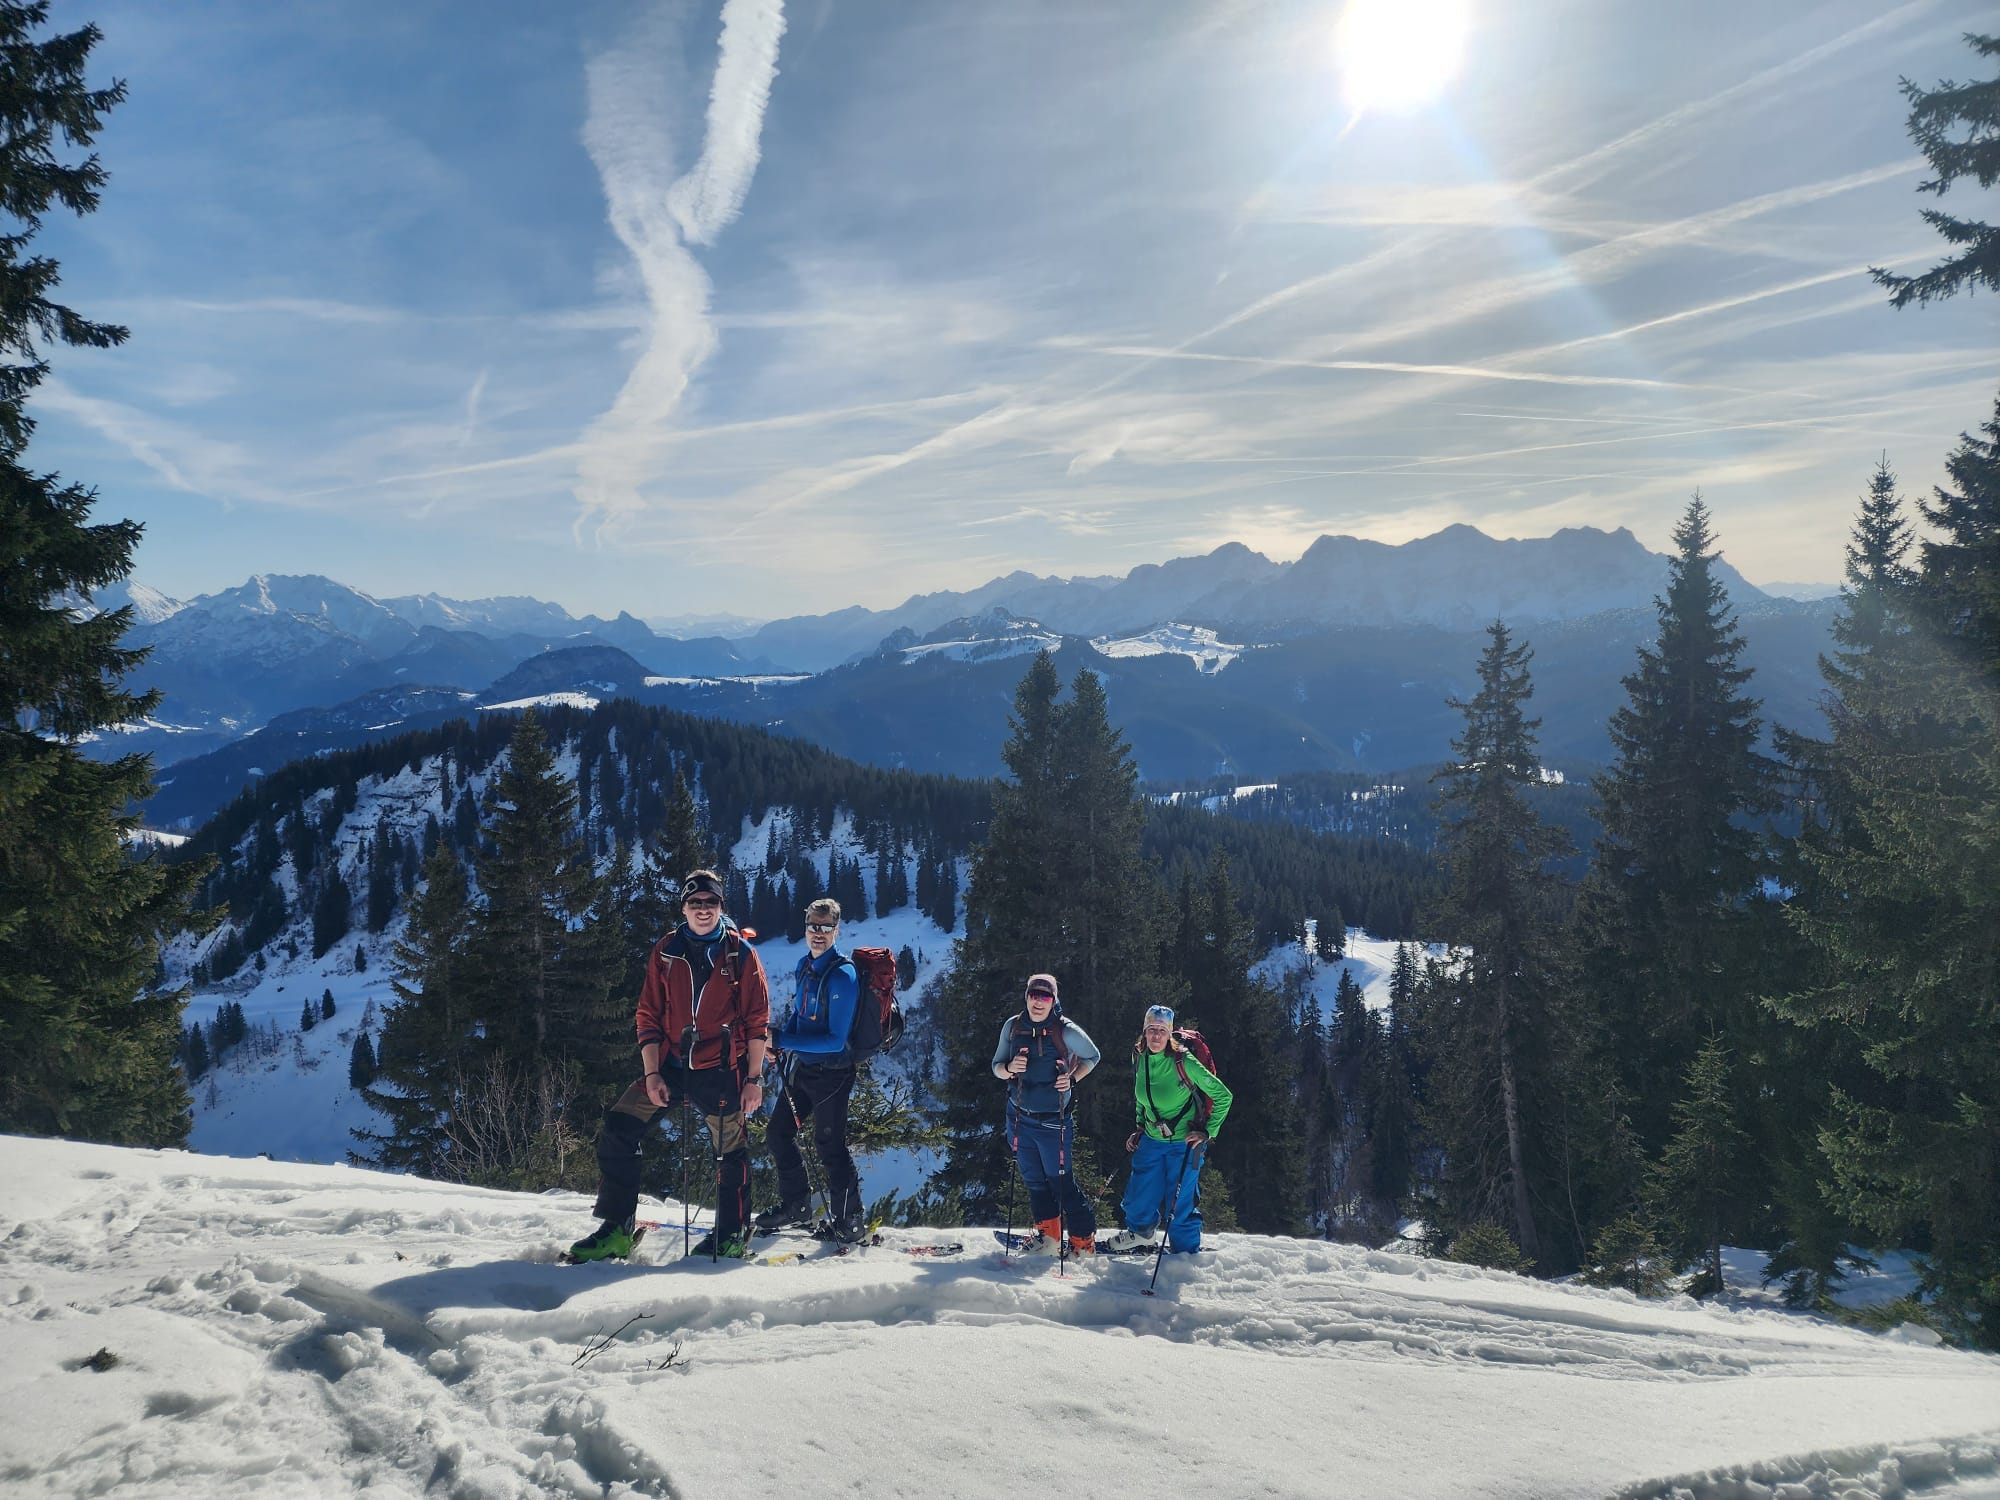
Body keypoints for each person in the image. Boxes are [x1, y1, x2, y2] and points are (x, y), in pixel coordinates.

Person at [568, 869, 770, 1262]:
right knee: (620, 1127)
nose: (703, 909)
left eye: (710, 902)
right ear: (683, 907)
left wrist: (754, 1079)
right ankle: (616, 1229)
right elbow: (648, 1014)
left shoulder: (740, 954)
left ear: (721, 906)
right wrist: (652, 1074)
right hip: (670, 1066)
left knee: (730, 1153)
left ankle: (731, 1236)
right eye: (695, 903)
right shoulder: (666, 950)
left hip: (720, 1069)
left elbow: (757, 1020)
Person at [757, 896, 868, 1242]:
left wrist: (783, 1039)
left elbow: (835, 1040)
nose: (818, 933)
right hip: (804, 1069)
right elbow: (800, 1014)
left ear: (837, 930)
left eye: (825, 927)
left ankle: (850, 1222)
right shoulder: (804, 966)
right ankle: (797, 1206)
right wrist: (781, 1041)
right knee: (778, 1133)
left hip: (833, 1074)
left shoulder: (843, 976)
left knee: (830, 1146)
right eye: (812, 926)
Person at [1103, 1004, 1232, 1255]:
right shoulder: (1139, 1056)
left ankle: (1185, 1251)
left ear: (1169, 1033)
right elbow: (1141, 1097)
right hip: (1152, 1138)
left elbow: (1223, 1095)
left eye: (1162, 1030)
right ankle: (1141, 1234)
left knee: (1181, 1201)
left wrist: (1208, 1132)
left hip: (1187, 1143)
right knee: (1139, 1194)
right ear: (1144, 1031)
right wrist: (1140, 1127)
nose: (1156, 1035)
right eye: (1151, 1029)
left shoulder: (1184, 1061)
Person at [991, 973, 1101, 1256]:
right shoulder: (1013, 1027)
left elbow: (1093, 1056)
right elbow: (996, 1066)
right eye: (1033, 995)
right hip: (1018, 1117)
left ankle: (1083, 1242)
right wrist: (1009, 1068)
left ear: (1054, 1000)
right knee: (1034, 1180)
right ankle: (1048, 1236)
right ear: (1026, 996)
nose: (1038, 1002)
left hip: (1054, 1121)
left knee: (1061, 1183)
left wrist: (1072, 1079)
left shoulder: (1065, 1030)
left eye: (1045, 996)